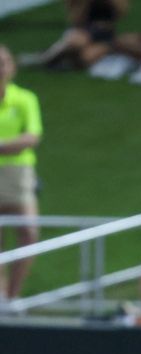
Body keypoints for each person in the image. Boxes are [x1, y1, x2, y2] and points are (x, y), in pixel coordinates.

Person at [0, 46, 43, 302]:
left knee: (28, 233)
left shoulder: (25, 98)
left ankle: (13, 296)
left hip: (19, 173)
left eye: (5, 62)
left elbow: (31, 137)